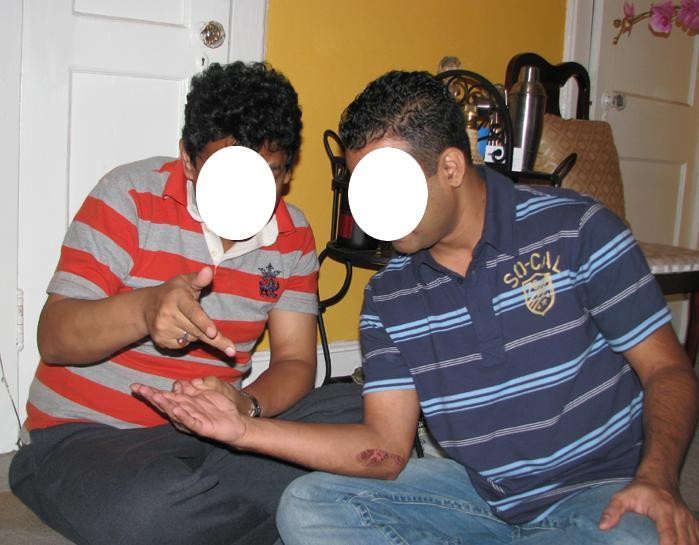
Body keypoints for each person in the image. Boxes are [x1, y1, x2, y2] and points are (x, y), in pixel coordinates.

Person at [132, 70, 699, 545]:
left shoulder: (578, 228)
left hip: (600, 496)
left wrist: (658, 479)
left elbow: (668, 370)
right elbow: (383, 448)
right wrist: (243, 430)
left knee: (638, 535)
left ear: (450, 167)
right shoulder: (389, 295)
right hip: (481, 496)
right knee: (307, 506)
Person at [9, 61, 362, 545]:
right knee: (147, 510)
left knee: (361, 413)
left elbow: (296, 362)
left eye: (269, 174)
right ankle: (280, 513)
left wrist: (246, 405)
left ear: (286, 172)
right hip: (90, 436)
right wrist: (145, 309)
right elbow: (53, 338)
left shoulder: (293, 233)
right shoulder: (129, 196)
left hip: (221, 436)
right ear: (189, 160)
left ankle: (219, 511)